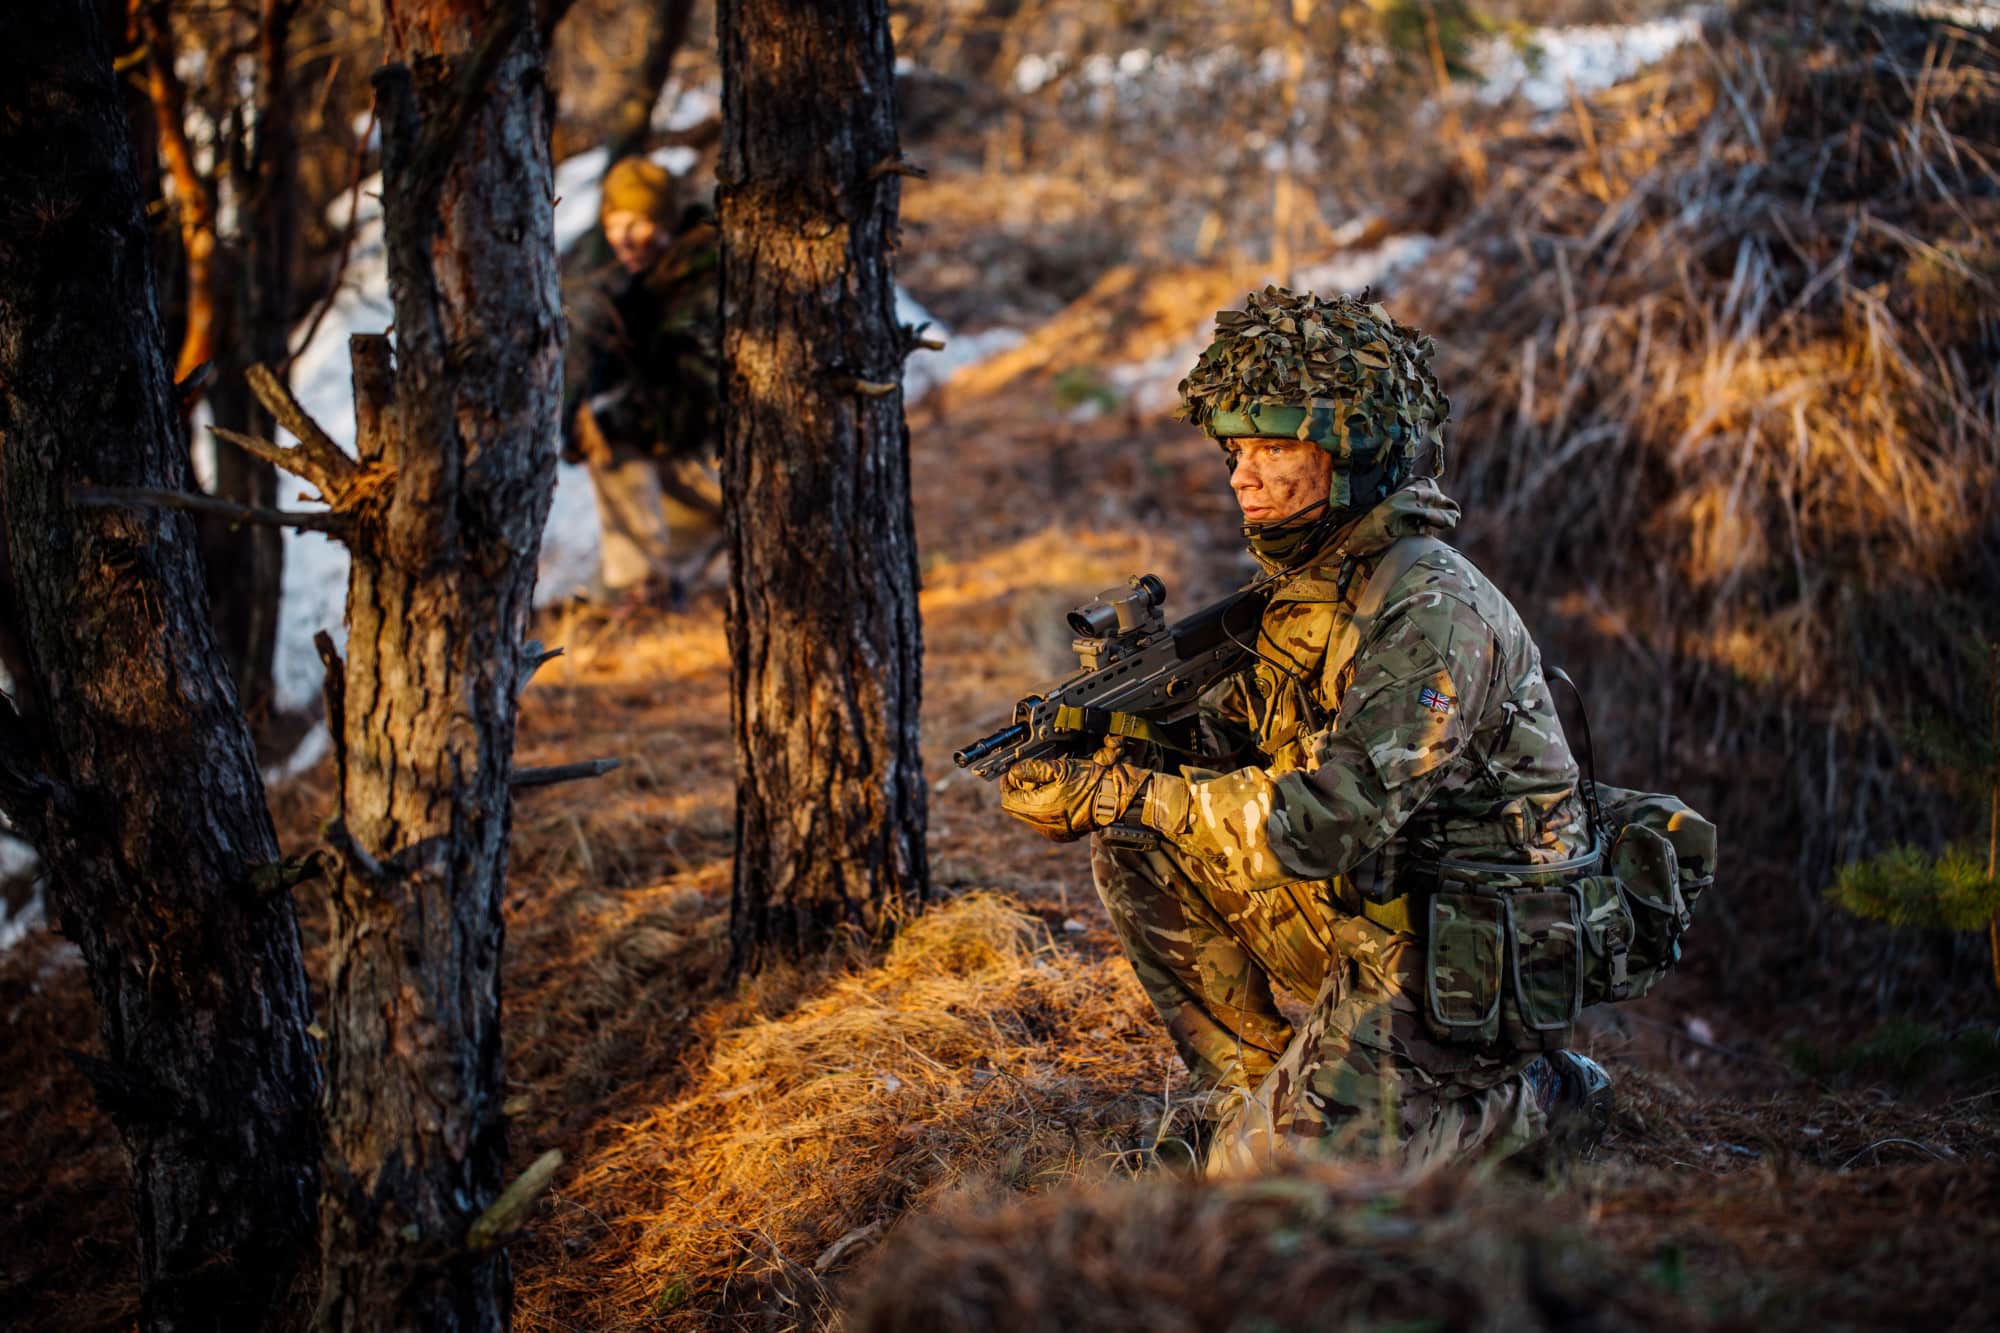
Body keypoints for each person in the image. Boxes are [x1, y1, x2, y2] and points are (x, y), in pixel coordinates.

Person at [998, 286, 1612, 1174]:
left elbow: (1321, 820)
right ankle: (1250, 1088)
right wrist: (1117, 749)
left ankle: (1540, 1096)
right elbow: (1238, 749)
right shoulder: (1313, 584)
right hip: (1379, 912)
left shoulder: (1431, 609)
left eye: (1275, 447)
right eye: (1236, 449)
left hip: (1472, 961)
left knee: (1265, 1181)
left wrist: (1132, 788)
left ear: (1354, 457)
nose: (1242, 475)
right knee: (1135, 840)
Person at [565, 154, 723, 605]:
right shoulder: (653, 283)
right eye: (614, 224)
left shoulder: (701, 281)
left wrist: (618, 419)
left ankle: (640, 589)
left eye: (639, 223)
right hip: (699, 463)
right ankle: (657, 580)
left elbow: (703, 397)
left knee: (612, 436)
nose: (625, 239)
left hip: (726, 465)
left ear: (668, 219)